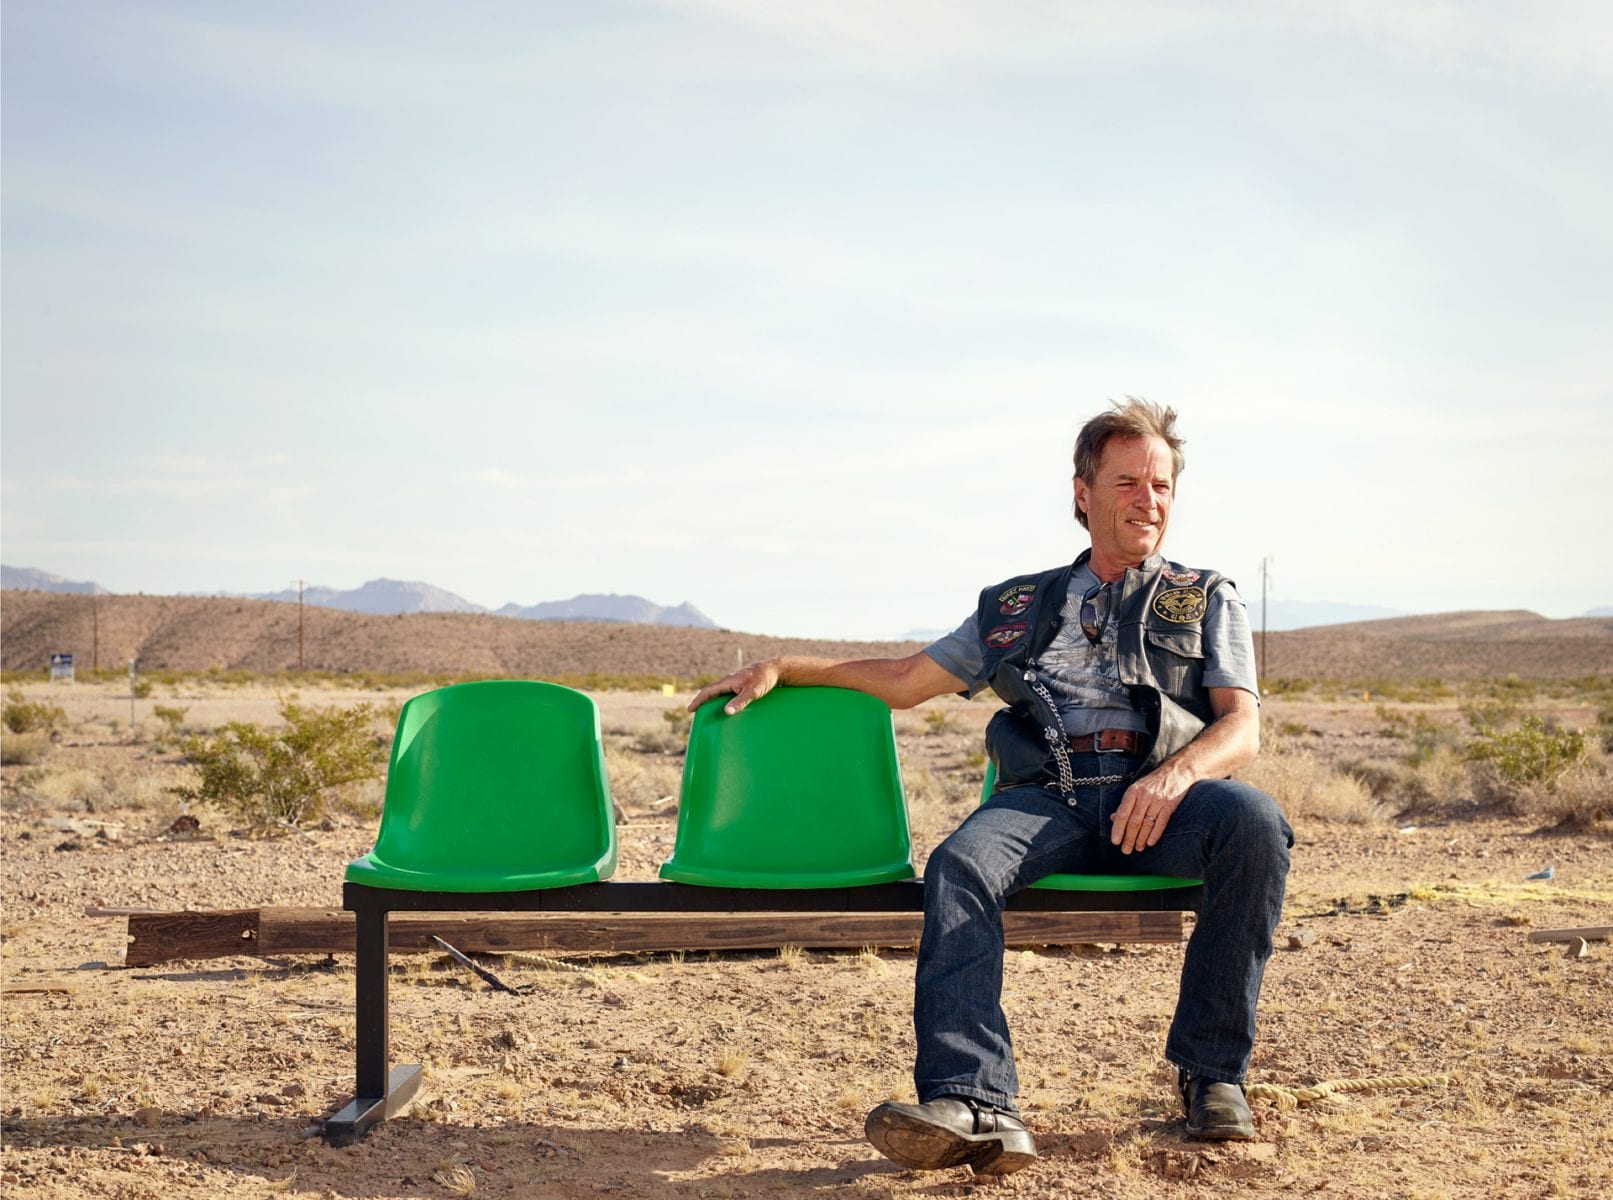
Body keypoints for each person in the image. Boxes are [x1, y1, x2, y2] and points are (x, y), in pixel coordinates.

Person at [689, 399, 1293, 1176]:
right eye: (1127, 483)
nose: (1148, 500)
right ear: (1082, 493)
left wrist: (1175, 776)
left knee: (1254, 823)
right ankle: (971, 1101)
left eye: (1161, 485)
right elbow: (907, 681)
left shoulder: (1203, 597)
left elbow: (1240, 728)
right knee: (961, 862)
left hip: (1161, 800)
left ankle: (1211, 1075)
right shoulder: (1016, 605)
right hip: (1050, 800)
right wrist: (787, 666)